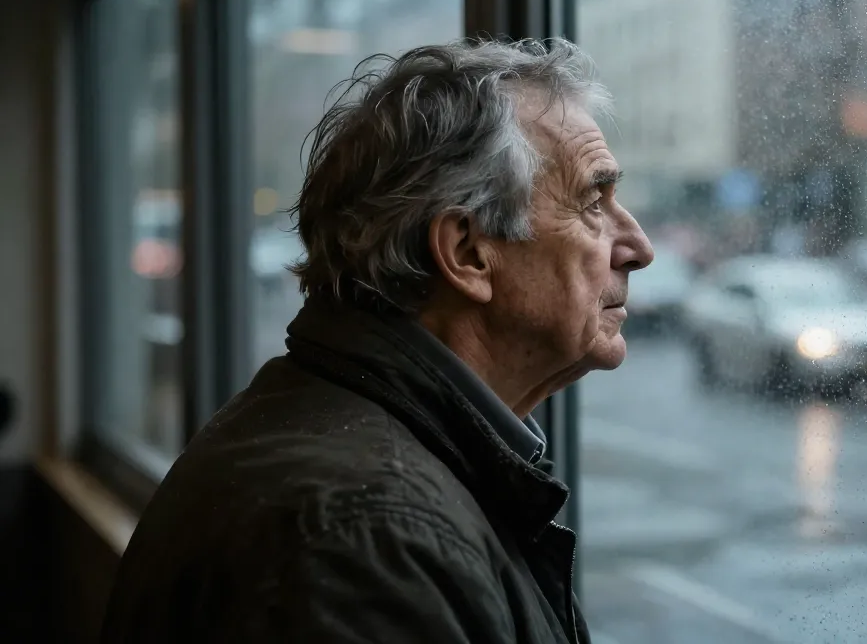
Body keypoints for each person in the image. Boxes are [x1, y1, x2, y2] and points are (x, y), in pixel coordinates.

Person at [100, 39, 654, 644]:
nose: (638, 246)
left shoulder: (339, 441)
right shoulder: (369, 536)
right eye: (592, 202)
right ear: (468, 252)